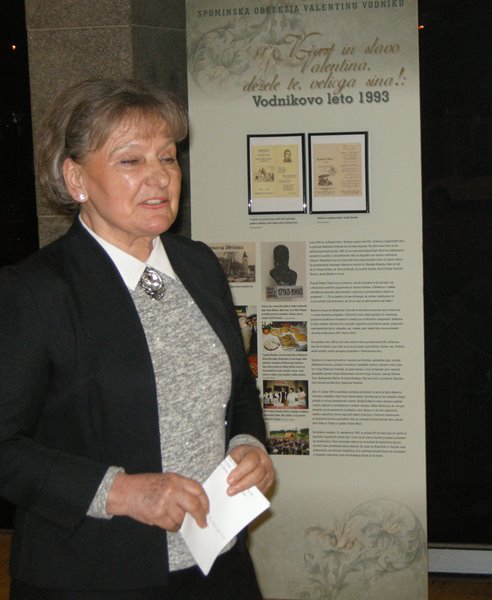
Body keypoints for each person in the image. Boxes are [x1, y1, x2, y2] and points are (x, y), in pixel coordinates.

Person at [0, 79, 275, 599]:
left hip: (216, 560)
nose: (160, 177)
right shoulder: (36, 291)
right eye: (130, 161)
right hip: (94, 572)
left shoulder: (199, 265)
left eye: (167, 157)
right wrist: (121, 491)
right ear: (76, 178)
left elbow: (239, 390)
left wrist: (248, 444)